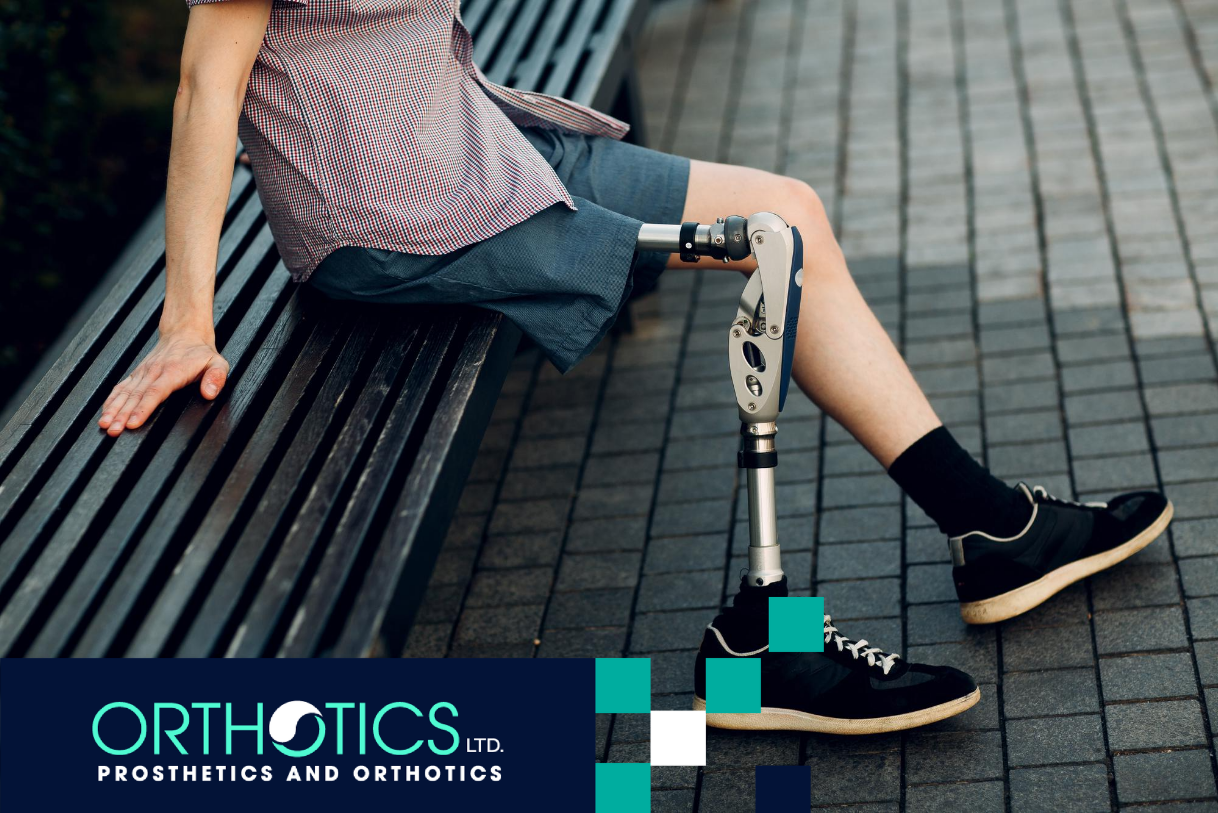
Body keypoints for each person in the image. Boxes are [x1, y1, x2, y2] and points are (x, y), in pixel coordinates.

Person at [97, 0, 1172, 733]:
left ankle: (992, 531)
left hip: (476, 147)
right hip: (399, 220)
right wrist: (187, 321)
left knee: (787, 209)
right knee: (770, 250)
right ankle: (762, 639)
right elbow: (207, 83)